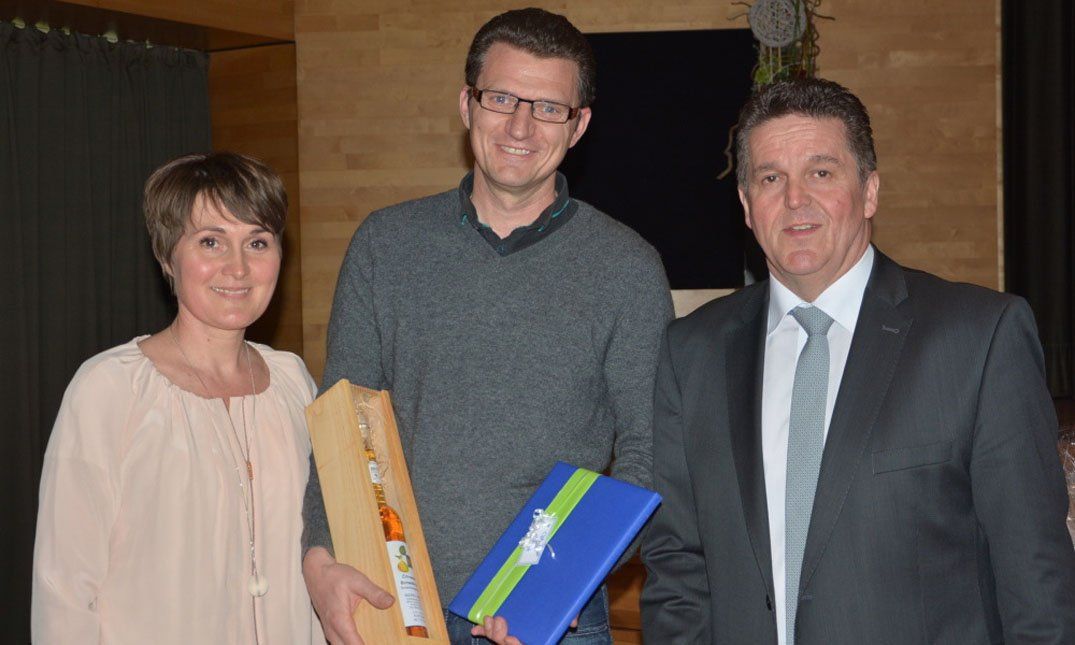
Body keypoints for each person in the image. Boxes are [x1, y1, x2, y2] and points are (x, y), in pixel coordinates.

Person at [640, 77, 1075, 644]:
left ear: (869, 192)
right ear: (746, 205)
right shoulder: (691, 352)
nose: (795, 200)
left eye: (821, 173)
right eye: (771, 178)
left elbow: (1036, 577)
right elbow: (677, 568)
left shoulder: (978, 338)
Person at [300, 7, 673, 645]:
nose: (520, 126)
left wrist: (560, 582)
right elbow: (340, 421)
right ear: (466, 105)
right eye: (501, 98)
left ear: (579, 125)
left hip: (552, 617)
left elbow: (651, 454)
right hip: (396, 604)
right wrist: (320, 557)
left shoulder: (628, 268)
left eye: (548, 107)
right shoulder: (386, 246)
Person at [32, 152, 326, 644]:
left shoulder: (293, 382)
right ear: (168, 257)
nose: (238, 267)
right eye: (211, 241)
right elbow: (64, 589)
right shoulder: (111, 389)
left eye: (257, 242)